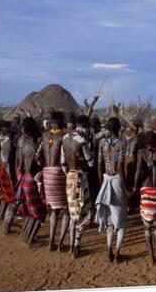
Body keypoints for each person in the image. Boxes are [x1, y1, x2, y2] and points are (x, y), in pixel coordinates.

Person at [61, 114, 95, 257]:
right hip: (80, 177)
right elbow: (91, 162)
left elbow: (63, 163)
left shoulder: (64, 139)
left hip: (69, 177)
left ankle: (71, 245)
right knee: (83, 213)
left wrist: (69, 174)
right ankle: (76, 245)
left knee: (72, 212)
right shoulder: (81, 140)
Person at [95, 117, 129, 263]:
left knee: (109, 220)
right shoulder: (121, 143)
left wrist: (101, 183)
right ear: (118, 128)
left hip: (106, 180)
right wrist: (126, 188)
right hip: (116, 180)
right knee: (121, 223)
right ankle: (117, 253)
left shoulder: (102, 143)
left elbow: (99, 165)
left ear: (108, 128)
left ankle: (109, 251)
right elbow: (120, 167)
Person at [133, 131, 156, 266]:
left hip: (146, 191)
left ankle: (151, 256)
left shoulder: (141, 153)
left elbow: (137, 172)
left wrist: (135, 188)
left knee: (147, 227)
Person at [37, 111, 69, 251]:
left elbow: (37, 157)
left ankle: (51, 241)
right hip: (59, 174)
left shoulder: (44, 135)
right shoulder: (64, 136)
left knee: (54, 210)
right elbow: (65, 159)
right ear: (61, 122)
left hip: (47, 173)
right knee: (67, 209)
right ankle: (61, 242)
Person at [13, 117, 46, 244]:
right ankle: (29, 241)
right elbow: (37, 164)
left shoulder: (23, 143)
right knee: (40, 214)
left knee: (32, 212)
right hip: (33, 180)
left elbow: (19, 163)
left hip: (25, 178)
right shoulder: (34, 145)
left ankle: (26, 236)